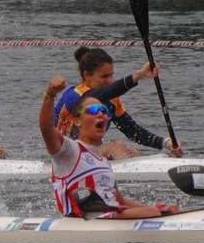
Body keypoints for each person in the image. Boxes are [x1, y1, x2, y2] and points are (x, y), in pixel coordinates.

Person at [41, 76, 180, 219]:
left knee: (168, 209)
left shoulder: (103, 161)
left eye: (103, 109)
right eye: (93, 110)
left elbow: (121, 202)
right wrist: (49, 95)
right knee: (154, 213)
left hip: (110, 216)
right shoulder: (70, 150)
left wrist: (159, 207)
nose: (100, 113)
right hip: (84, 220)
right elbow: (46, 130)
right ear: (77, 121)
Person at [51, 46, 182, 160]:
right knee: (116, 147)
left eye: (111, 76)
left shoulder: (111, 101)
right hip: (65, 156)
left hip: (87, 154)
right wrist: (139, 74)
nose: (109, 81)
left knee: (133, 153)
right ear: (87, 76)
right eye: (104, 76)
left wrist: (165, 142)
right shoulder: (76, 96)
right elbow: (109, 91)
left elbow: (132, 130)